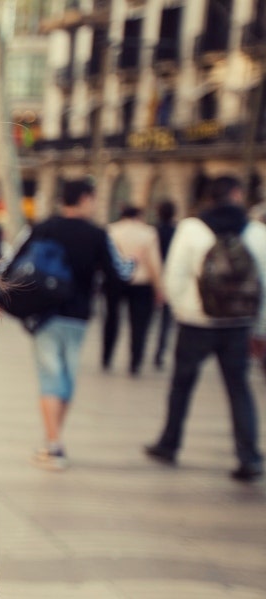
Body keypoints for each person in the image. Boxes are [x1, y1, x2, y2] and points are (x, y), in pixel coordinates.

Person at [145, 176, 265, 482]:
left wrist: (181, 309)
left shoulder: (191, 228)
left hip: (195, 322)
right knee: (238, 388)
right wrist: (258, 326)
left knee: (181, 385)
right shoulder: (256, 232)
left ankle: (169, 443)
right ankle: (248, 455)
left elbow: (175, 274)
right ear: (237, 195)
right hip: (238, 324)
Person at [14, 179, 131, 471]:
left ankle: (53, 445)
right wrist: (133, 265)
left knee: (50, 378)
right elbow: (118, 275)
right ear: (85, 199)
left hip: (45, 314)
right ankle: (53, 440)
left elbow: (11, 263)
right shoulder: (97, 235)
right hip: (78, 316)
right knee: (65, 378)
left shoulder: (42, 228)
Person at [102, 206, 164, 375]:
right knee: (139, 324)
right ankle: (135, 361)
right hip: (141, 283)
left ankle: (106, 356)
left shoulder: (111, 230)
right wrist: (159, 287)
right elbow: (154, 262)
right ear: (139, 216)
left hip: (115, 281)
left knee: (111, 319)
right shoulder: (148, 233)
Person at [153, 201, 178, 369]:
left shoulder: (153, 231)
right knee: (165, 322)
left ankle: (138, 350)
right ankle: (159, 353)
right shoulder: (177, 232)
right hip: (170, 279)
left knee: (147, 318)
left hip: (153, 278)